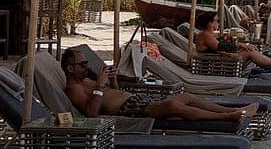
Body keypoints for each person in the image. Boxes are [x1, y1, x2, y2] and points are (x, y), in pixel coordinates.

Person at [61, 45, 251, 125]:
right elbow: (91, 113)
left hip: (134, 100)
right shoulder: (73, 89)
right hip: (129, 110)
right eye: (83, 64)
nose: (87, 67)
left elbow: (114, 93)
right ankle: (227, 118)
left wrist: (112, 80)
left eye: (87, 64)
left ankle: (227, 110)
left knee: (186, 97)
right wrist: (100, 85)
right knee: (173, 106)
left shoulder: (86, 80)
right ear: (70, 68)